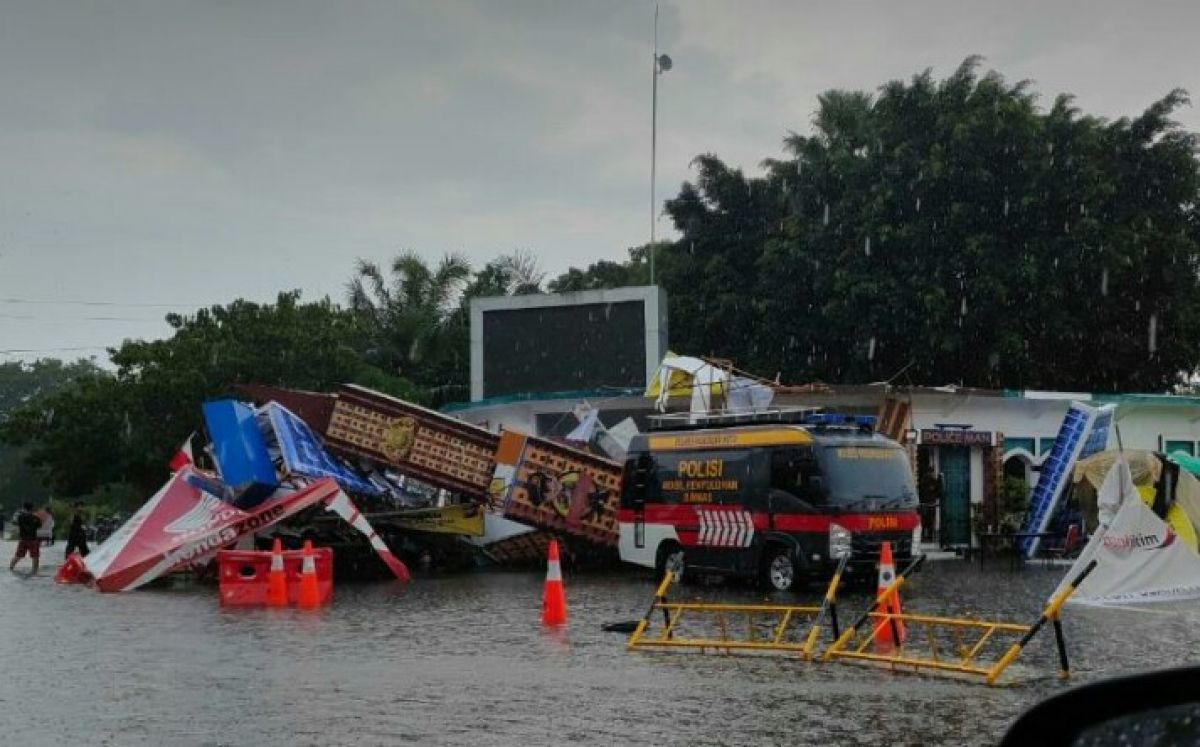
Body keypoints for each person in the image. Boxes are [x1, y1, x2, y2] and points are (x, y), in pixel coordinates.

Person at [10, 503, 42, 574]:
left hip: (23, 539)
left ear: (24, 508)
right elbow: (39, 526)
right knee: (35, 556)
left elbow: (16, 523)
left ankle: (11, 568)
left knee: (18, 555)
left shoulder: (20, 517)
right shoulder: (35, 518)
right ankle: (34, 571)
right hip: (33, 539)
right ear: (32, 508)